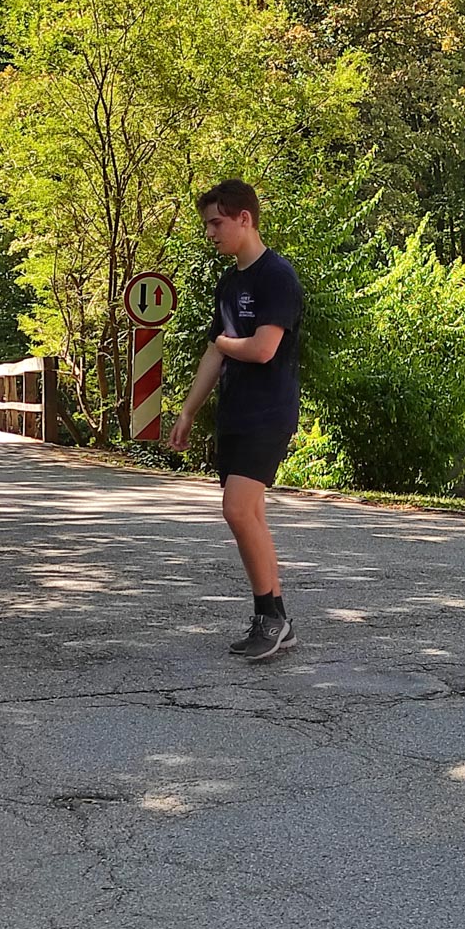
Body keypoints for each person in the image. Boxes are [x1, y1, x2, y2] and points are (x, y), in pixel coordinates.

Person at [168, 179, 303, 661]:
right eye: (207, 224)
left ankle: (272, 618)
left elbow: (263, 349)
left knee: (237, 510)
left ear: (245, 219)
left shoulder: (276, 276)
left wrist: (224, 343)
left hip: (269, 412)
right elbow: (213, 354)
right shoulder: (230, 283)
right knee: (252, 514)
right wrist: (188, 411)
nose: (210, 232)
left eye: (216, 223)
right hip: (236, 413)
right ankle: (275, 618)